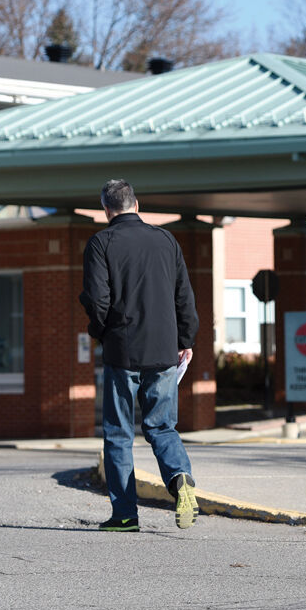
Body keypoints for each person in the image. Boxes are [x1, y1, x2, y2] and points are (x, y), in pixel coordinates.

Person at [80, 179, 200, 532]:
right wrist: (186, 338)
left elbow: (98, 300)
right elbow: (184, 296)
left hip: (123, 351)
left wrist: (101, 332)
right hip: (164, 350)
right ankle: (179, 477)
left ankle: (125, 515)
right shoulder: (166, 240)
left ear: (106, 210)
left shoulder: (101, 243)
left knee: (119, 433)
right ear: (137, 204)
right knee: (162, 426)